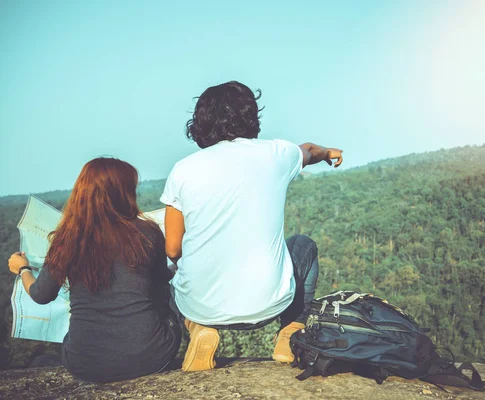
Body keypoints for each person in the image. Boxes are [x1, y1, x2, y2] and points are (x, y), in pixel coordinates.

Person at [161, 81, 343, 371]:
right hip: (271, 304)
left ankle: (198, 329)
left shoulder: (183, 169)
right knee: (304, 245)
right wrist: (330, 152)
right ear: (251, 116)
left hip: (202, 306)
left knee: (166, 274)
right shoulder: (277, 153)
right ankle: (290, 332)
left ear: (201, 122)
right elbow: (309, 150)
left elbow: (172, 248)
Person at [7, 158, 181, 383]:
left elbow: (41, 295)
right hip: (151, 356)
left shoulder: (68, 239)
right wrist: (176, 265)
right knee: (171, 302)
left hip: (84, 363)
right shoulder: (147, 232)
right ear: (122, 193)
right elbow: (160, 282)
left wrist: (23, 270)